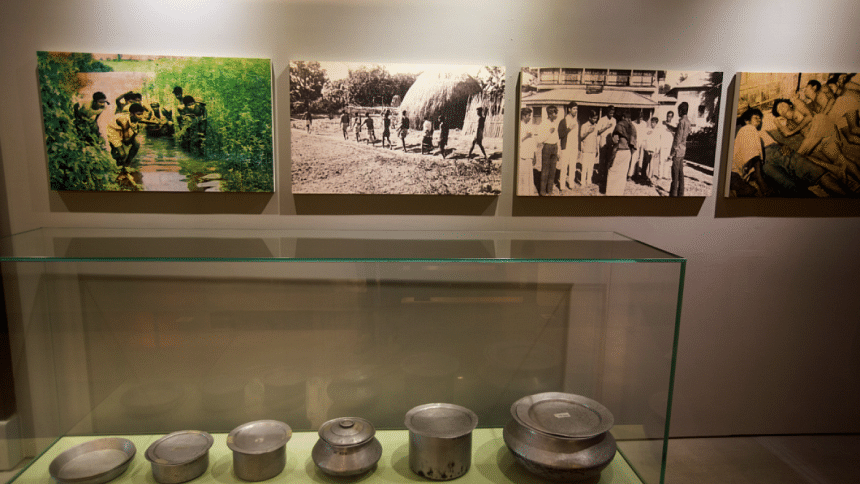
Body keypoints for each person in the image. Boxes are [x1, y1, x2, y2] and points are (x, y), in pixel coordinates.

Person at [732, 108, 849, 196]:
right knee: (794, 189)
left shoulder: (761, 132)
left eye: (759, 118)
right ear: (747, 121)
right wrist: (760, 180)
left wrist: (784, 146)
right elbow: (750, 157)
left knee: (816, 172)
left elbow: (776, 143)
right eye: (755, 118)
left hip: (779, 152)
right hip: (765, 163)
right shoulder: (745, 131)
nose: (759, 120)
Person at [605, 108, 637, 196]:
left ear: (623, 117)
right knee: (622, 174)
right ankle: (619, 193)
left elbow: (615, 140)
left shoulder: (620, 125)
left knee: (612, 171)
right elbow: (634, 142)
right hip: (628, 152)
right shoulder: (633, 126)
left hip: (620, 150)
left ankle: (610, 193)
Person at [106, 103, 145, 169]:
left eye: (142, 114)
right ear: (131, 114)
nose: (141, 117)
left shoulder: (134, 118)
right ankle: (116, 162)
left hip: (123, 129)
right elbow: (126, 142)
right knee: (122, 154)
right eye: (138, 114)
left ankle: (127, 164)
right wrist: (135, 134)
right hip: (113, 130)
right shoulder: (124, 121)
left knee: (136, 144)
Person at [536, 105, 560, 196]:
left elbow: (557, 138)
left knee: (553, 170)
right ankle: (542, 192)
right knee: (545, 170)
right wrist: (549, 132)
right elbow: (540, 139)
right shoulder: (543, 124)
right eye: (555, 113)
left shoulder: (555, 123)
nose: (556, 115)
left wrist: (558, 151)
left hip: (554, 147)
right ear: (550, 114)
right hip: (547, 147)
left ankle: (549, 190)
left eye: (556, 113)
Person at [669, 102, 692, 196]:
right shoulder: (688, 121)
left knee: (675, 174)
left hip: (677, 151)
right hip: (683, 150)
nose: (678, 112)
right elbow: (681, 132)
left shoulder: (681, 122)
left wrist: (672, 152)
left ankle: (673, 195)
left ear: (681, 111)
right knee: (680, 173)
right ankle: (680, 194)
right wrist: (668, 126)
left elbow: (678, 138)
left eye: (678, 110)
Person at [557, 101, 579, 191]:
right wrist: (568, 129)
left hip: (574, 147)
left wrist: (578, 148)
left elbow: (577, 136)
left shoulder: (577, 121)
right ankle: (562, 185)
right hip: (566, 147)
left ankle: (571, 183)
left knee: (573, 166)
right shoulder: (563, 121)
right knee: (564, 166)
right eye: (574, 109)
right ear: (569, 109)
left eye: (576, 109)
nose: (575, 110)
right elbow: (560, 134)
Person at [595, 105, 616, 187]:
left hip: (610, 142)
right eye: (610, 113)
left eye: (613, 113)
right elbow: (598, 132)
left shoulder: (614, 120)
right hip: (603, 142)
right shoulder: (602, 120)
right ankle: (600, 178)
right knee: (602, 161)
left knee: (609, 161)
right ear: (607, 112)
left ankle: (606, 179)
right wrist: (606, 127)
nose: (611, 115)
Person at [579, 110, 600, 190]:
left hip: (593, 149)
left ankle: (589, 181)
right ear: (590, 117)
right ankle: (582, 182)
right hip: (586, 149)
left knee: (591, 167)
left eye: (596, 118)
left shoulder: (596, 126)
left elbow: (596, 138)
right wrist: (588, 131)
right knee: (584, 166)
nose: (595, 120)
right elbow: (581, 137)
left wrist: (597, 149)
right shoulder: (584, 125)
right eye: (594, 118)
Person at [519, 107, 537, 195]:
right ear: (523, 116)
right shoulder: (519, 126)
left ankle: (529, 193)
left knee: (529, 174)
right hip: (522, 155)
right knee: (523, 175)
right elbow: (517, 142)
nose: (530, 117)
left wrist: (534, 154)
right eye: (528, 115)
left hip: (530, 154)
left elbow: (533, 141)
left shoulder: (530, 126)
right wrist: (526, 136)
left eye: (530, 115)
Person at [659, 111, 676, 180]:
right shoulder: (662, 124)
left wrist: (671, 131)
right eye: (668, 116)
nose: (669, 118)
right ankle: (660, 175)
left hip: (669, 145)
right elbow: (659, 134)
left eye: (670, 116)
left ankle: (665, 175)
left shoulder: (673, 125)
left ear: (672, 117)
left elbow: (675, 135)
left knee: (667, 160)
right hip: (662, 144)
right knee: (661, 160)